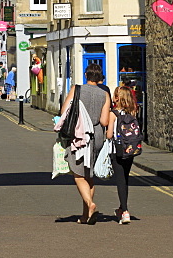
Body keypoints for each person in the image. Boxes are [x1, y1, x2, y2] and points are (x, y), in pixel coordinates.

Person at [59, 61, 110, 225]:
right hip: (97, 137)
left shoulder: (77, 89)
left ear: (86, 75)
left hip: (80, 136)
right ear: (100, 78)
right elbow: (104, 120)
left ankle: (90, 204)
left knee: (78, 175)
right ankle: (85, 215)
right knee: (89, 176)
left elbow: (64, 111)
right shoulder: (105, 94)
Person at [107, 86, 140, 224]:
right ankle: (122, 208)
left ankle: (125, 211)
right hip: (130, 150)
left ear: (117, 98)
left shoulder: (113, 113)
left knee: (120, 180)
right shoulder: (133, 112)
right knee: (125, 179)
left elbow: (109, 134)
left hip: (117, 150)